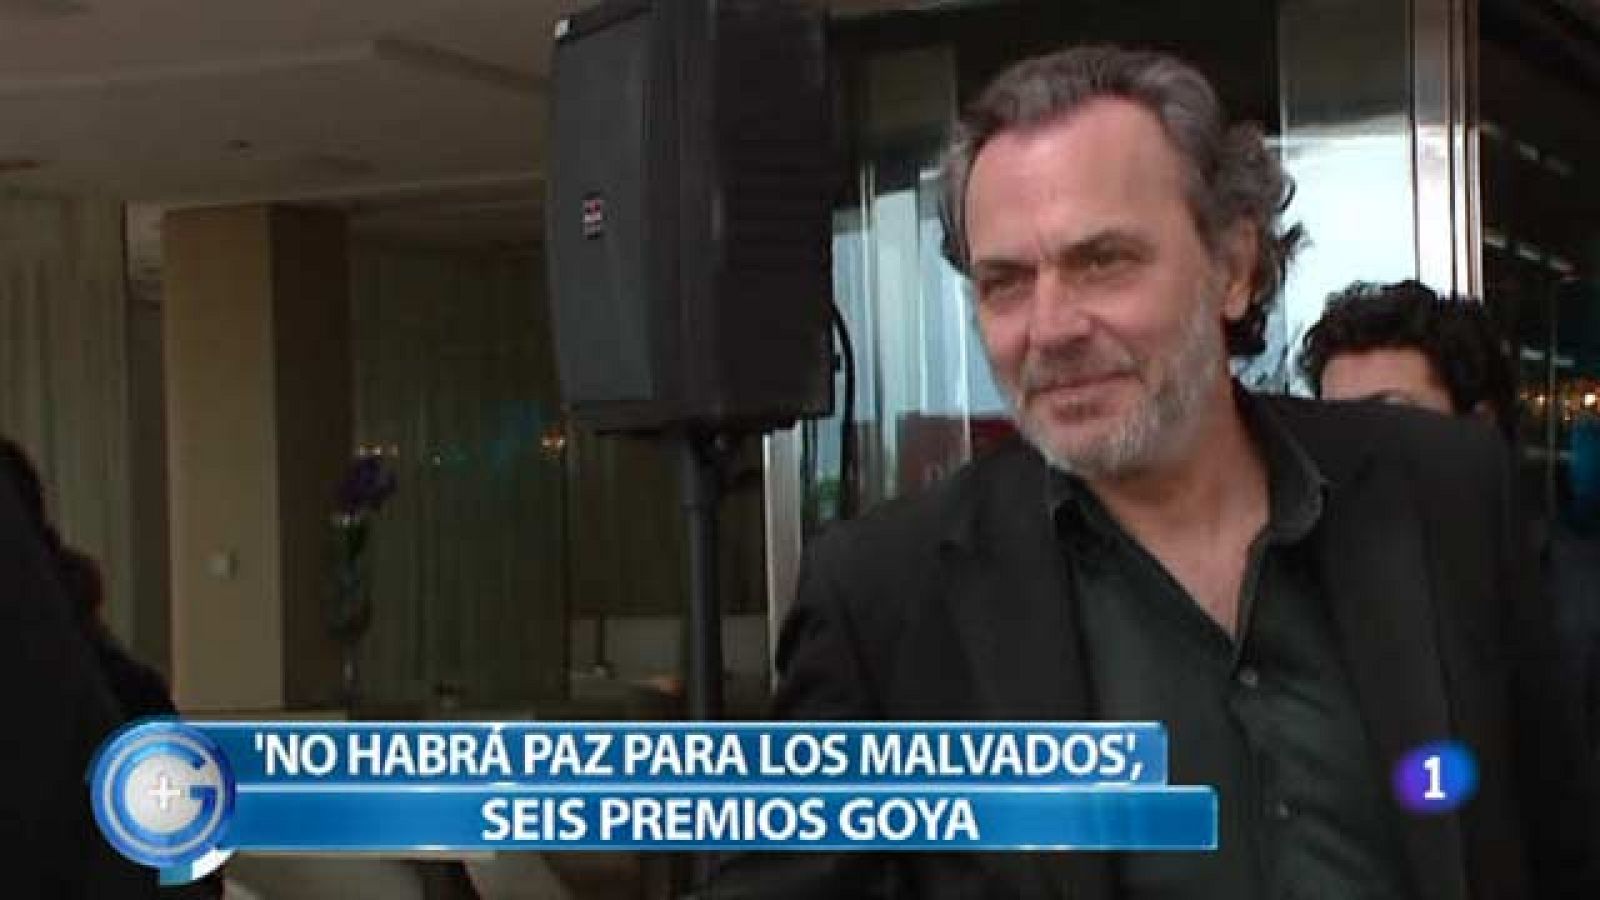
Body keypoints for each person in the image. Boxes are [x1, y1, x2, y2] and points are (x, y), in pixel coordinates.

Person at [701, 46, 1596, 899]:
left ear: (1234, 266)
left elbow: (1558, 842)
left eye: (1103, 261)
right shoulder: (885, 601)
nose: (1051, 328)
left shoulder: (1442, 491)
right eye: (1005, 282)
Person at [1302, 279, 1600, 777]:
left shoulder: (1578, 606)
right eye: (1335, 425)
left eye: (1389, 419)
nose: (1354, 452)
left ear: (1479, 429)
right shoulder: (1313, 606)